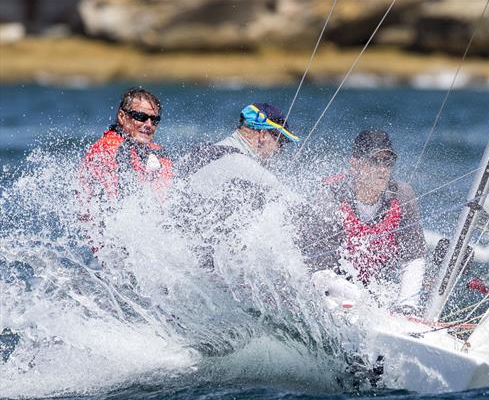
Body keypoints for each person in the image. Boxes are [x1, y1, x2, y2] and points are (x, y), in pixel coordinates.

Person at [306, 130, 426, 314]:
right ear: (354, 165)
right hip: (321, 283)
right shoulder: (330, 197)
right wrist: (365, 304)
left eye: (388, 161)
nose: (382, 169)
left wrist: (407, 307)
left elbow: (413, 258)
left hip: (366, 293)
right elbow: (319, 272)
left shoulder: (402, 196)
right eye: (374, 161)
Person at [172, 102, 300, 270]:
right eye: (280, 142)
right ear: (263, 134)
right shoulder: (245, 167)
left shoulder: (199, 152)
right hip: (188, 263)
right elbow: (296, 208)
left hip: (172, 250)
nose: (279, 151)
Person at [78, 88, 173, 251]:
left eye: (154, 120)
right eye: (141, 117)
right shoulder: (108, 150)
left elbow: (167, 198)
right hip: (115, 249)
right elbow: (113, 210)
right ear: (122, 117)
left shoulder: (156, 152)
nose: (148, 125)